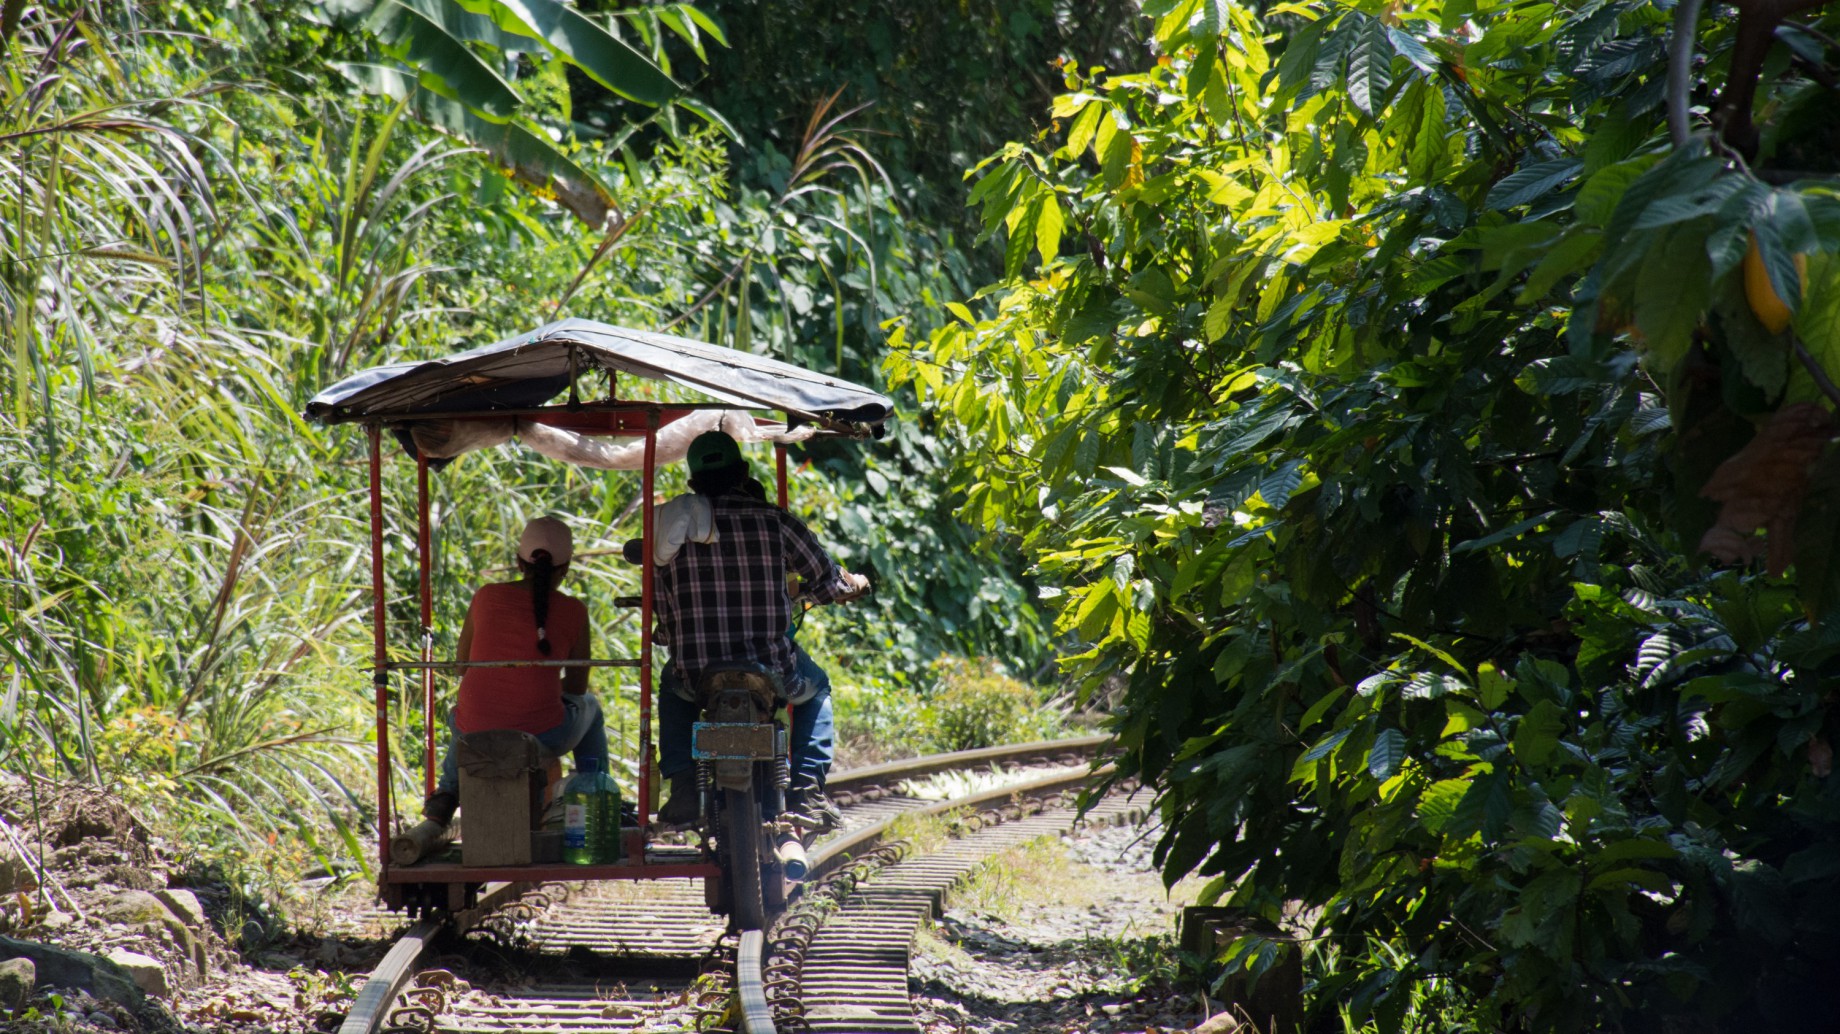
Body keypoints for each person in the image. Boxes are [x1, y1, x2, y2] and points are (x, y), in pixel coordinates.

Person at [649, 431, 867, 830]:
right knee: (818, 688)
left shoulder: (669, 534)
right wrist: (853, 585)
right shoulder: (775, 521)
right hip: (770, 668)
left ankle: (682, 783)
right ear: (743, 472)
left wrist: (669, 635)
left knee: (671, 687)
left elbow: (664, 620)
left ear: (693, 484)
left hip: (699, 672)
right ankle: (806, 790)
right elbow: (826, 580)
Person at [423, 516, 608, 826]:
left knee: (464, 716)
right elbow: (577, 688)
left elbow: (461, 666)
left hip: (475, 729)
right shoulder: (574, 609)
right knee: (591, 708)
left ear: (518, 562)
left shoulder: (486, 596)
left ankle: (447, 791)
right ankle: (598, 798)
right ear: (565, 569)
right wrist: (538, 684)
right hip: (543, 732)